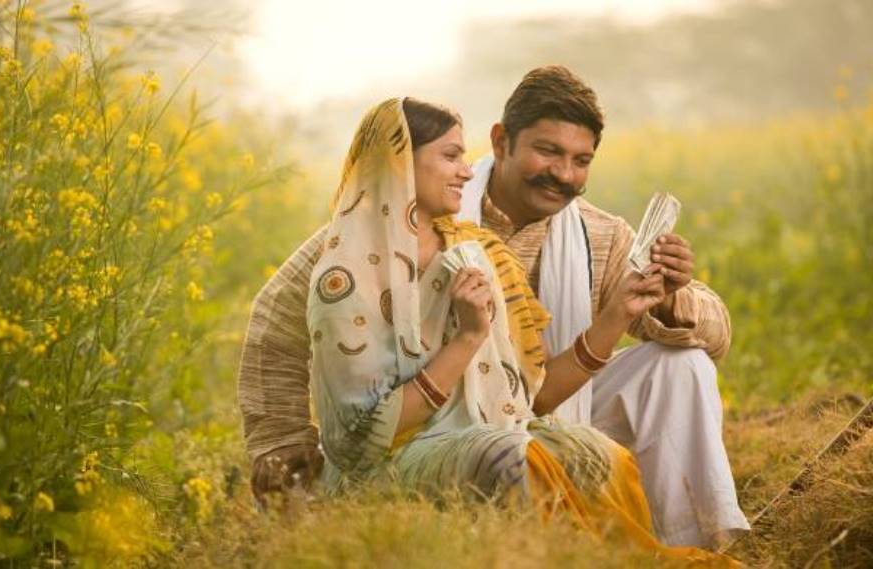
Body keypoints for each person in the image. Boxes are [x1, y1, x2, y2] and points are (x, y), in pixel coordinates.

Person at [239, 67, 748, 549]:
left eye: (581, 160)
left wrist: (674, 292)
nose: (563, 174)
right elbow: (274, 321)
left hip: (541, 400)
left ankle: (687, 535)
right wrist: (283, 450)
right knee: (512, 452)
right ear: (501, 141)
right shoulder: (406, 216)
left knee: (682, 365)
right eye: (548, 151)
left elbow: (717, 333)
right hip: (419, 425)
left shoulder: (598, 235)